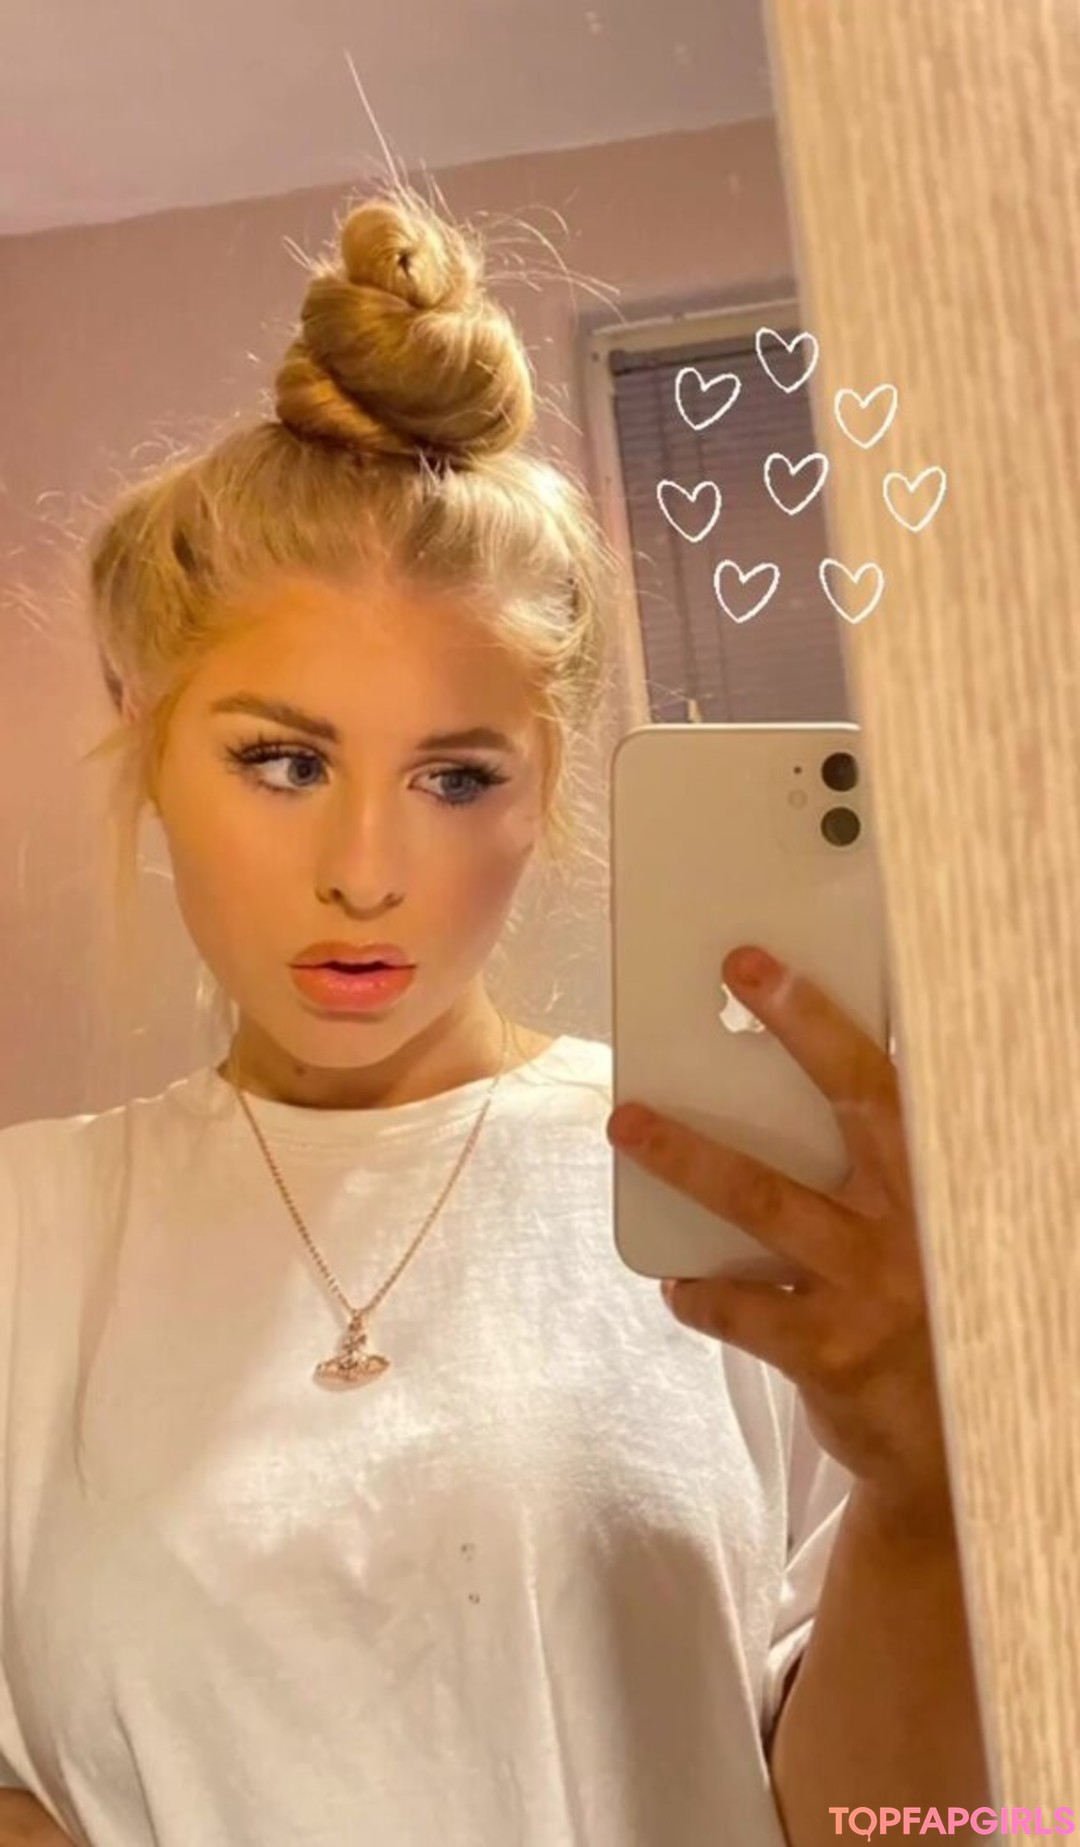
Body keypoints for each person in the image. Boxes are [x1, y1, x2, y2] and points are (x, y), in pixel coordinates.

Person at [0, 189, 988, 1847]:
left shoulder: (738, 1216)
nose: (365, 871)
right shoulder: (26, 1239)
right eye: (282, 761)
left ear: (548, 788)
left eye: (456, 778)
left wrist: (929, 1499)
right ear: (146, 737)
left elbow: (930, 1838)